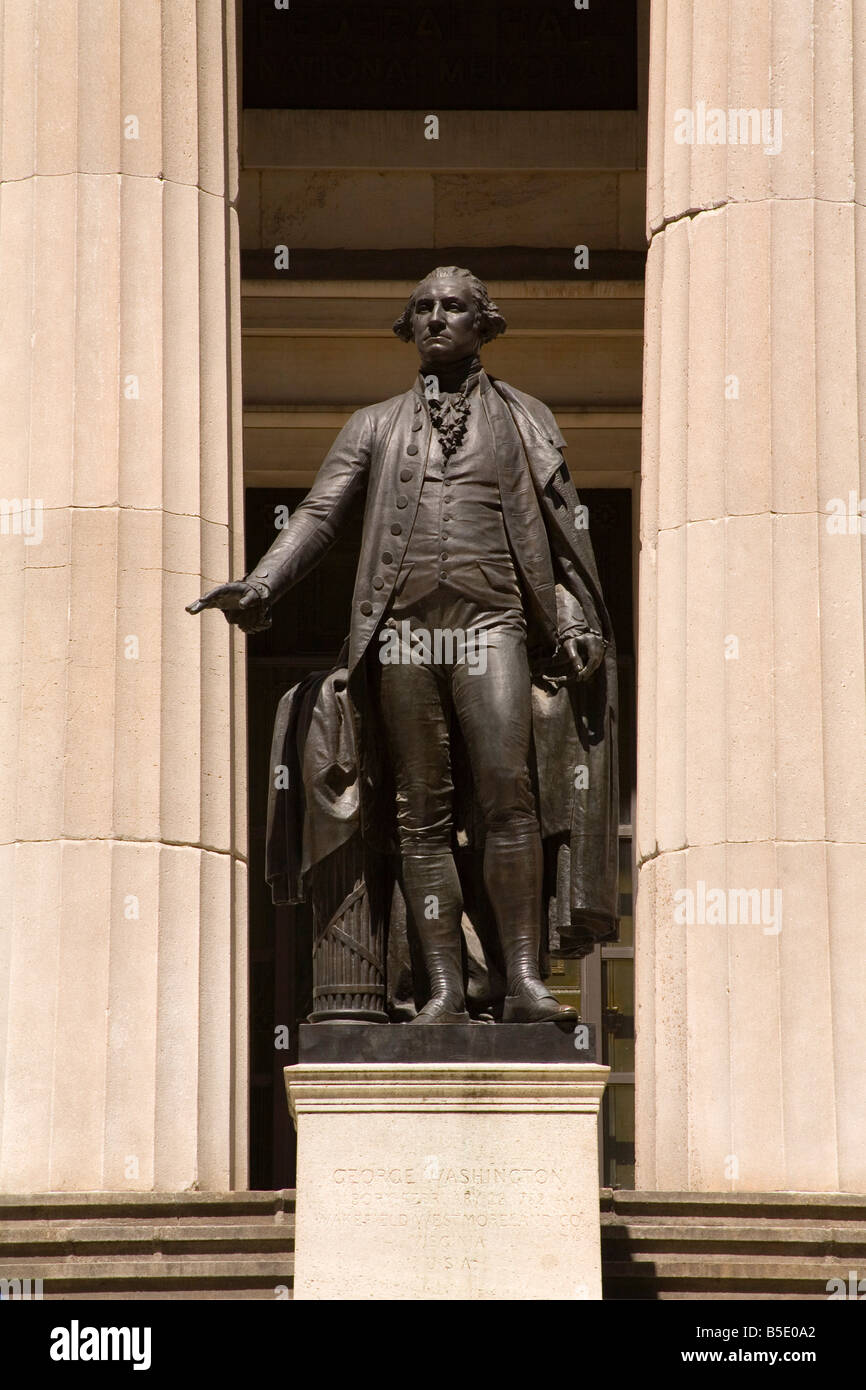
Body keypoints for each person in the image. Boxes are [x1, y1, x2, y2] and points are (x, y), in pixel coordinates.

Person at [189, 267, 617, 1024]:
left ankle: (522, 980)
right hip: (402, 635)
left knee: (506, 796)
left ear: (485, 321)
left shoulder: (525, 418)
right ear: (407, 326)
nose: (435, 318)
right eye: (421, 308)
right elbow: (319, 516)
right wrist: (261, 587)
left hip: (493, 626)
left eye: (453, 306)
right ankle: (445, 989)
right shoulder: (374, 424)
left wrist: (576, 618)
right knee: (419, 812)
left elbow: (562, 535)